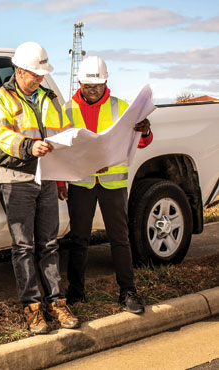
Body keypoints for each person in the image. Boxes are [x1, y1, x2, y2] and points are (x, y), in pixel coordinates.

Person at [0, 41, 79, 334]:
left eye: (42, 74)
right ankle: (32, 307)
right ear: (19, 70)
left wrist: (62, 177)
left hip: (48, 178)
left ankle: (57, 302)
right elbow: (1, 134)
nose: (40, 78)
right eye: (35, 74)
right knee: (24, 247)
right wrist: (29, 146)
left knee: (50, 244)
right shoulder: (1, 99)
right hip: (17, 180)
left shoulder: (49, 99)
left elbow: (64, 137)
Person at [58, 56, 153, 314]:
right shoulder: (66, 111)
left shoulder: (122, 107)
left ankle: (128, 292)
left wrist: (144, 131)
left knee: (119, 238)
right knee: (79, 238)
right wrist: (59, 181)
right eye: (89, 86)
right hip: (82, 183)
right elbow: (60, 150)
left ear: (106, 82)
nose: (93, 91)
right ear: (79, 82)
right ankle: (76, 292)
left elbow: (141, 142)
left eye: (98, 86)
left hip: (112, 183)